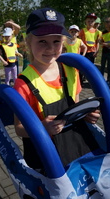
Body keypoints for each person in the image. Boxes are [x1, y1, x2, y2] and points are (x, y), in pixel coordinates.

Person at [13, 8, 101, 170]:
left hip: (73, 147)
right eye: (42, 41)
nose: (50, 48)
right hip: (44, 155)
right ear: (28, 43)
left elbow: (74, 106)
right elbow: (19, 128)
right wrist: (41, 128)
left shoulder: (71, 70)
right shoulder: (23, 83)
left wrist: (84, 114)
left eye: (56, 41)